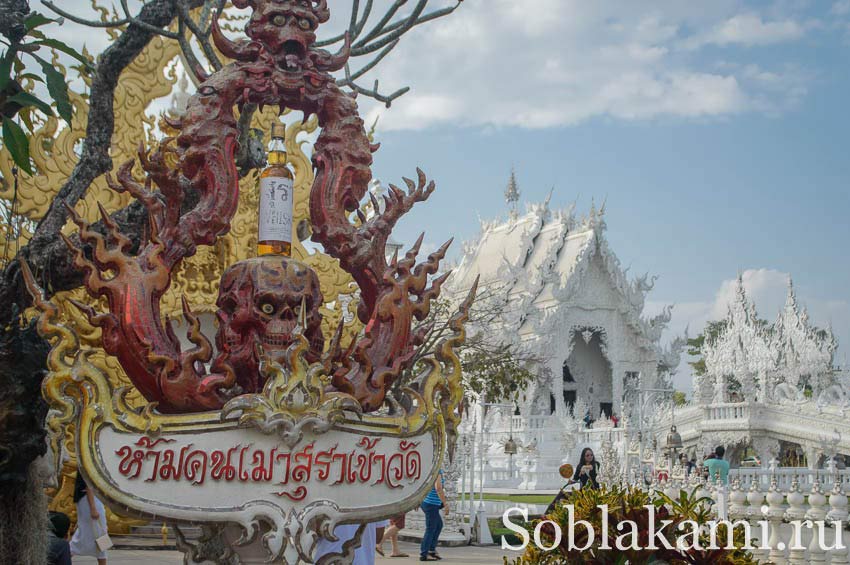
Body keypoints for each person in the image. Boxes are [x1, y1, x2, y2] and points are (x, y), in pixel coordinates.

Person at [70, 472, 108, 565]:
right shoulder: (88, 459)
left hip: (92, 499)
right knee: (101, 535)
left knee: (100, 535)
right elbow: (89, 485)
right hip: (90, 499)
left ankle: (64, 554)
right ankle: (65, 553)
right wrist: (93, 508)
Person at [314, 520, 388, 564]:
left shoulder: (321, 495)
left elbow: (312, 533)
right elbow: (378, 537)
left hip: (326, 559)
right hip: (362, 561)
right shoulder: (376, 496)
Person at [420, 470, 448, 561]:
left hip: (430, 503)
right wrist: (445, 504)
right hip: (430, 504)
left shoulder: (431, 468)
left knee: (438, 525)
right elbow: (438, 488)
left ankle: (431, 550)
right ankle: (424, 553)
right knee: (431, 528)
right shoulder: (437, 470)